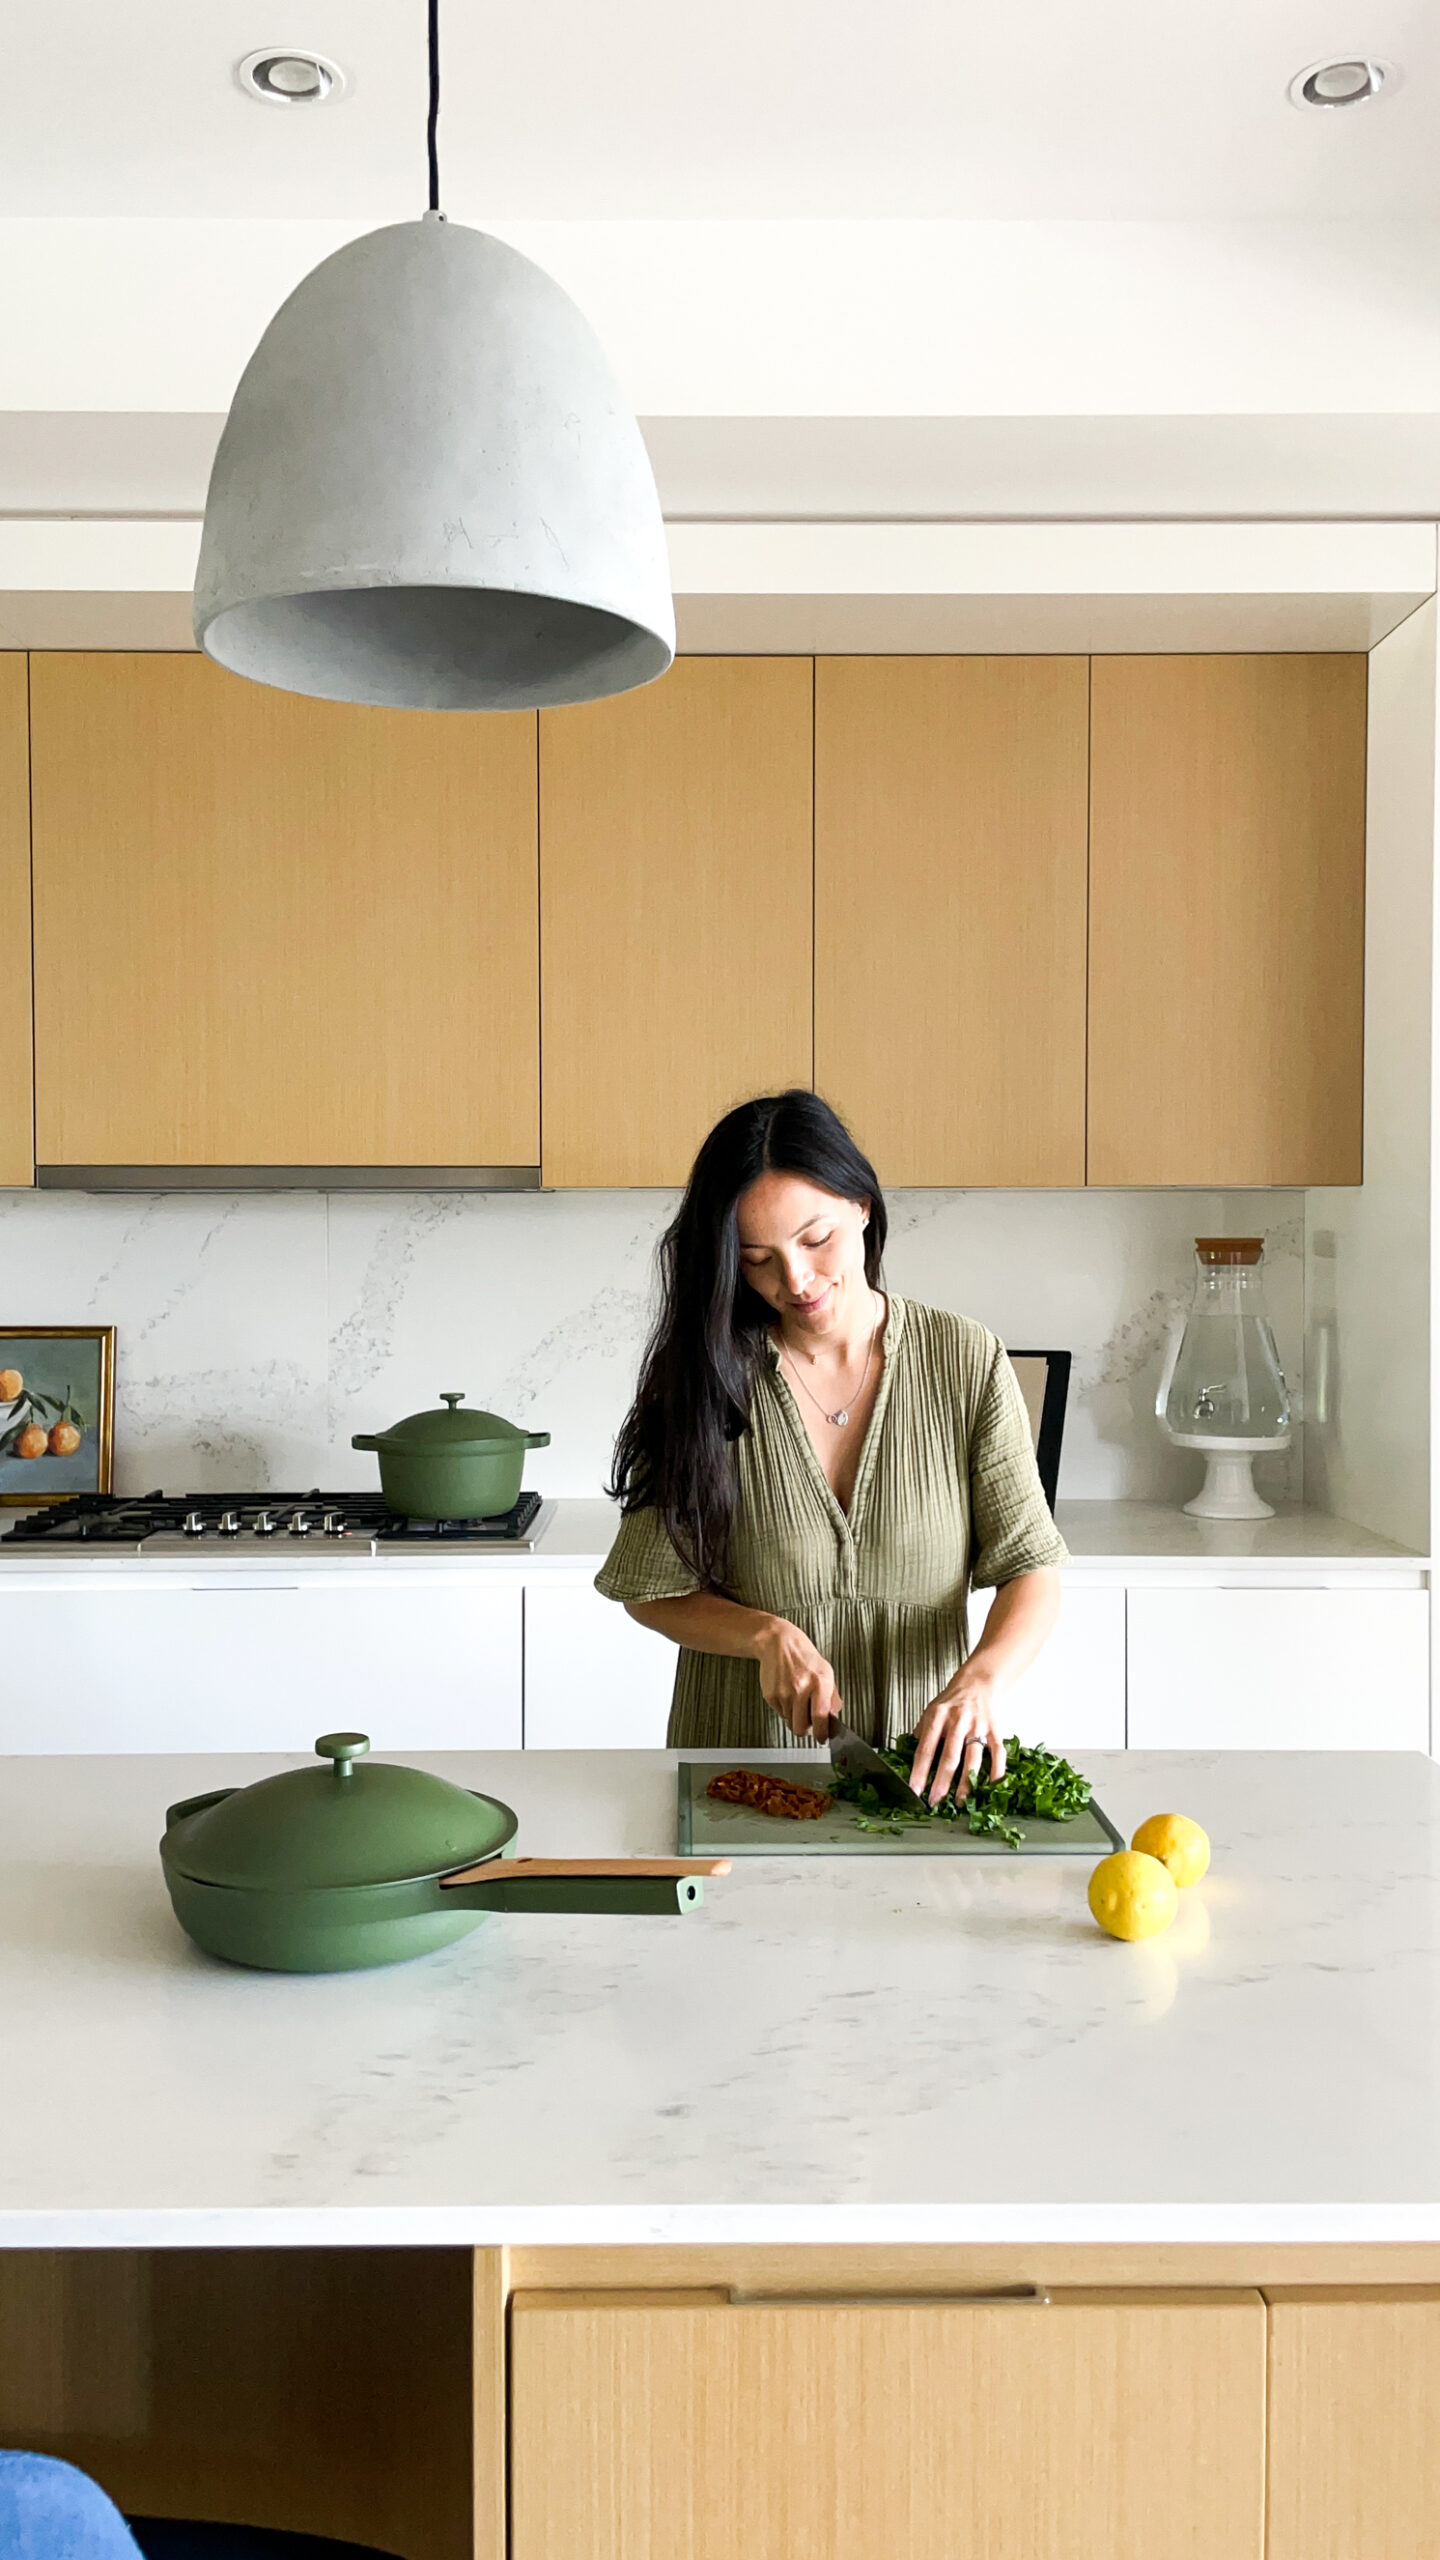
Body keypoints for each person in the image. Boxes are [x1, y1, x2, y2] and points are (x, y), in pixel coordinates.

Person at [596, 1090, 1066, 1806]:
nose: (797, 1281)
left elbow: (1032, 1567)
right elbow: (650, 1590)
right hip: (741, 1775)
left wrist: (980, 1682)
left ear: (863, 1206)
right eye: (758, 1259)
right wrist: (761, 1635)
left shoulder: (964, 1359)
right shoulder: (708, 1378)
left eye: (816, 1241)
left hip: (924, 1775)